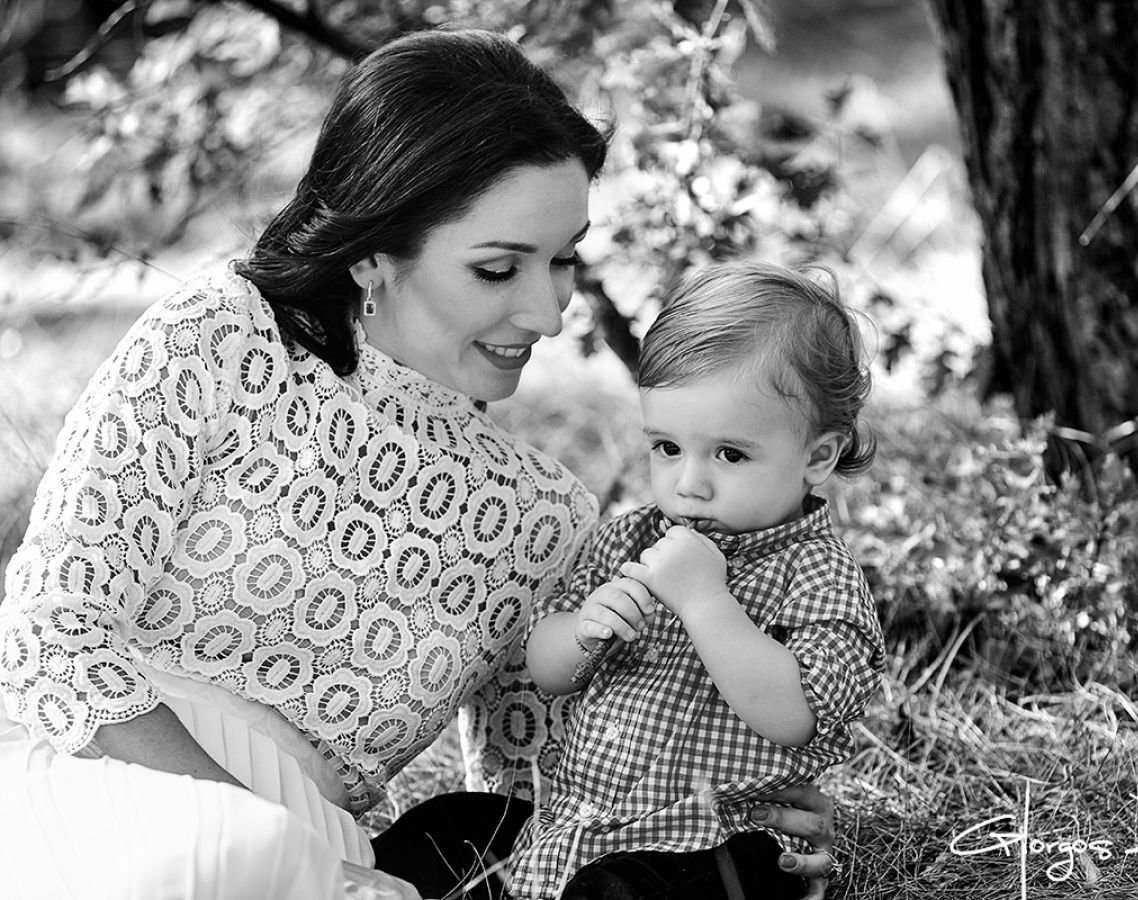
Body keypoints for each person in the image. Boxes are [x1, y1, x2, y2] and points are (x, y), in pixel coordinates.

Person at [0, 27, 837, 900]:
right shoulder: (218, 340)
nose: (548, 314)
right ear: (373, 250)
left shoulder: (539, 517)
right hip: (77, 775)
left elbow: (547, 799)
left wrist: (741, 813)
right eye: (498, 267)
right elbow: (52, 637)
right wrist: (264, 832)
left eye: (562, 261)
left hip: (320, 863)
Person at [507, 262, 886, 900]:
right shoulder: (629, 539)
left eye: (730, 454)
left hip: (723, 841)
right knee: (446, 827)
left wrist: (707, 602)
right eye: (667, 447)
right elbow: (545, 668)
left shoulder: (817, 576)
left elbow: (795, 715)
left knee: (617, 893)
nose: (689, 484)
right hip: (587, 824)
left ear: (818, 457)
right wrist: (586, 628)